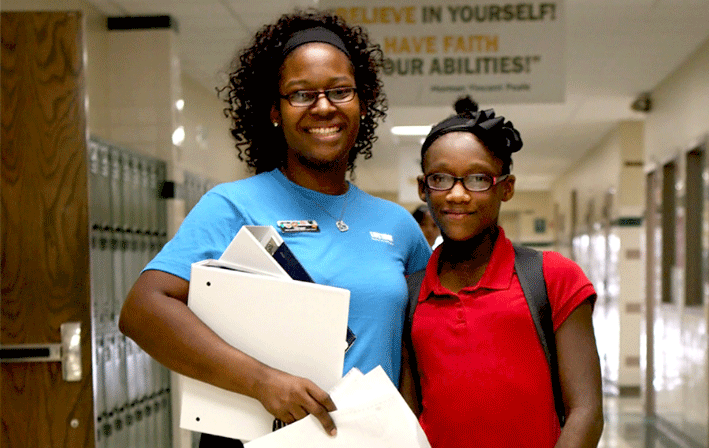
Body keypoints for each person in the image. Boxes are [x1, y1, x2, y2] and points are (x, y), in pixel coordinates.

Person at [118, 8, 432, 446]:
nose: (324, 106)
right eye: (301, 94)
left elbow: (422, 343)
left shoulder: (398, 226)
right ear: (274, 112)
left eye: (340, 91)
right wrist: (262, 381)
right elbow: (142, 310)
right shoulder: (233, 206)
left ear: (362, 103)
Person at [400, 106, 604, 447]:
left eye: (478, 179)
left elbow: (586, 411)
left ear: (505, 188)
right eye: (441, 178)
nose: (457, 194)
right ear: (424, 188)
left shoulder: (553, 278)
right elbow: (408, 415)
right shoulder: (409, 293)